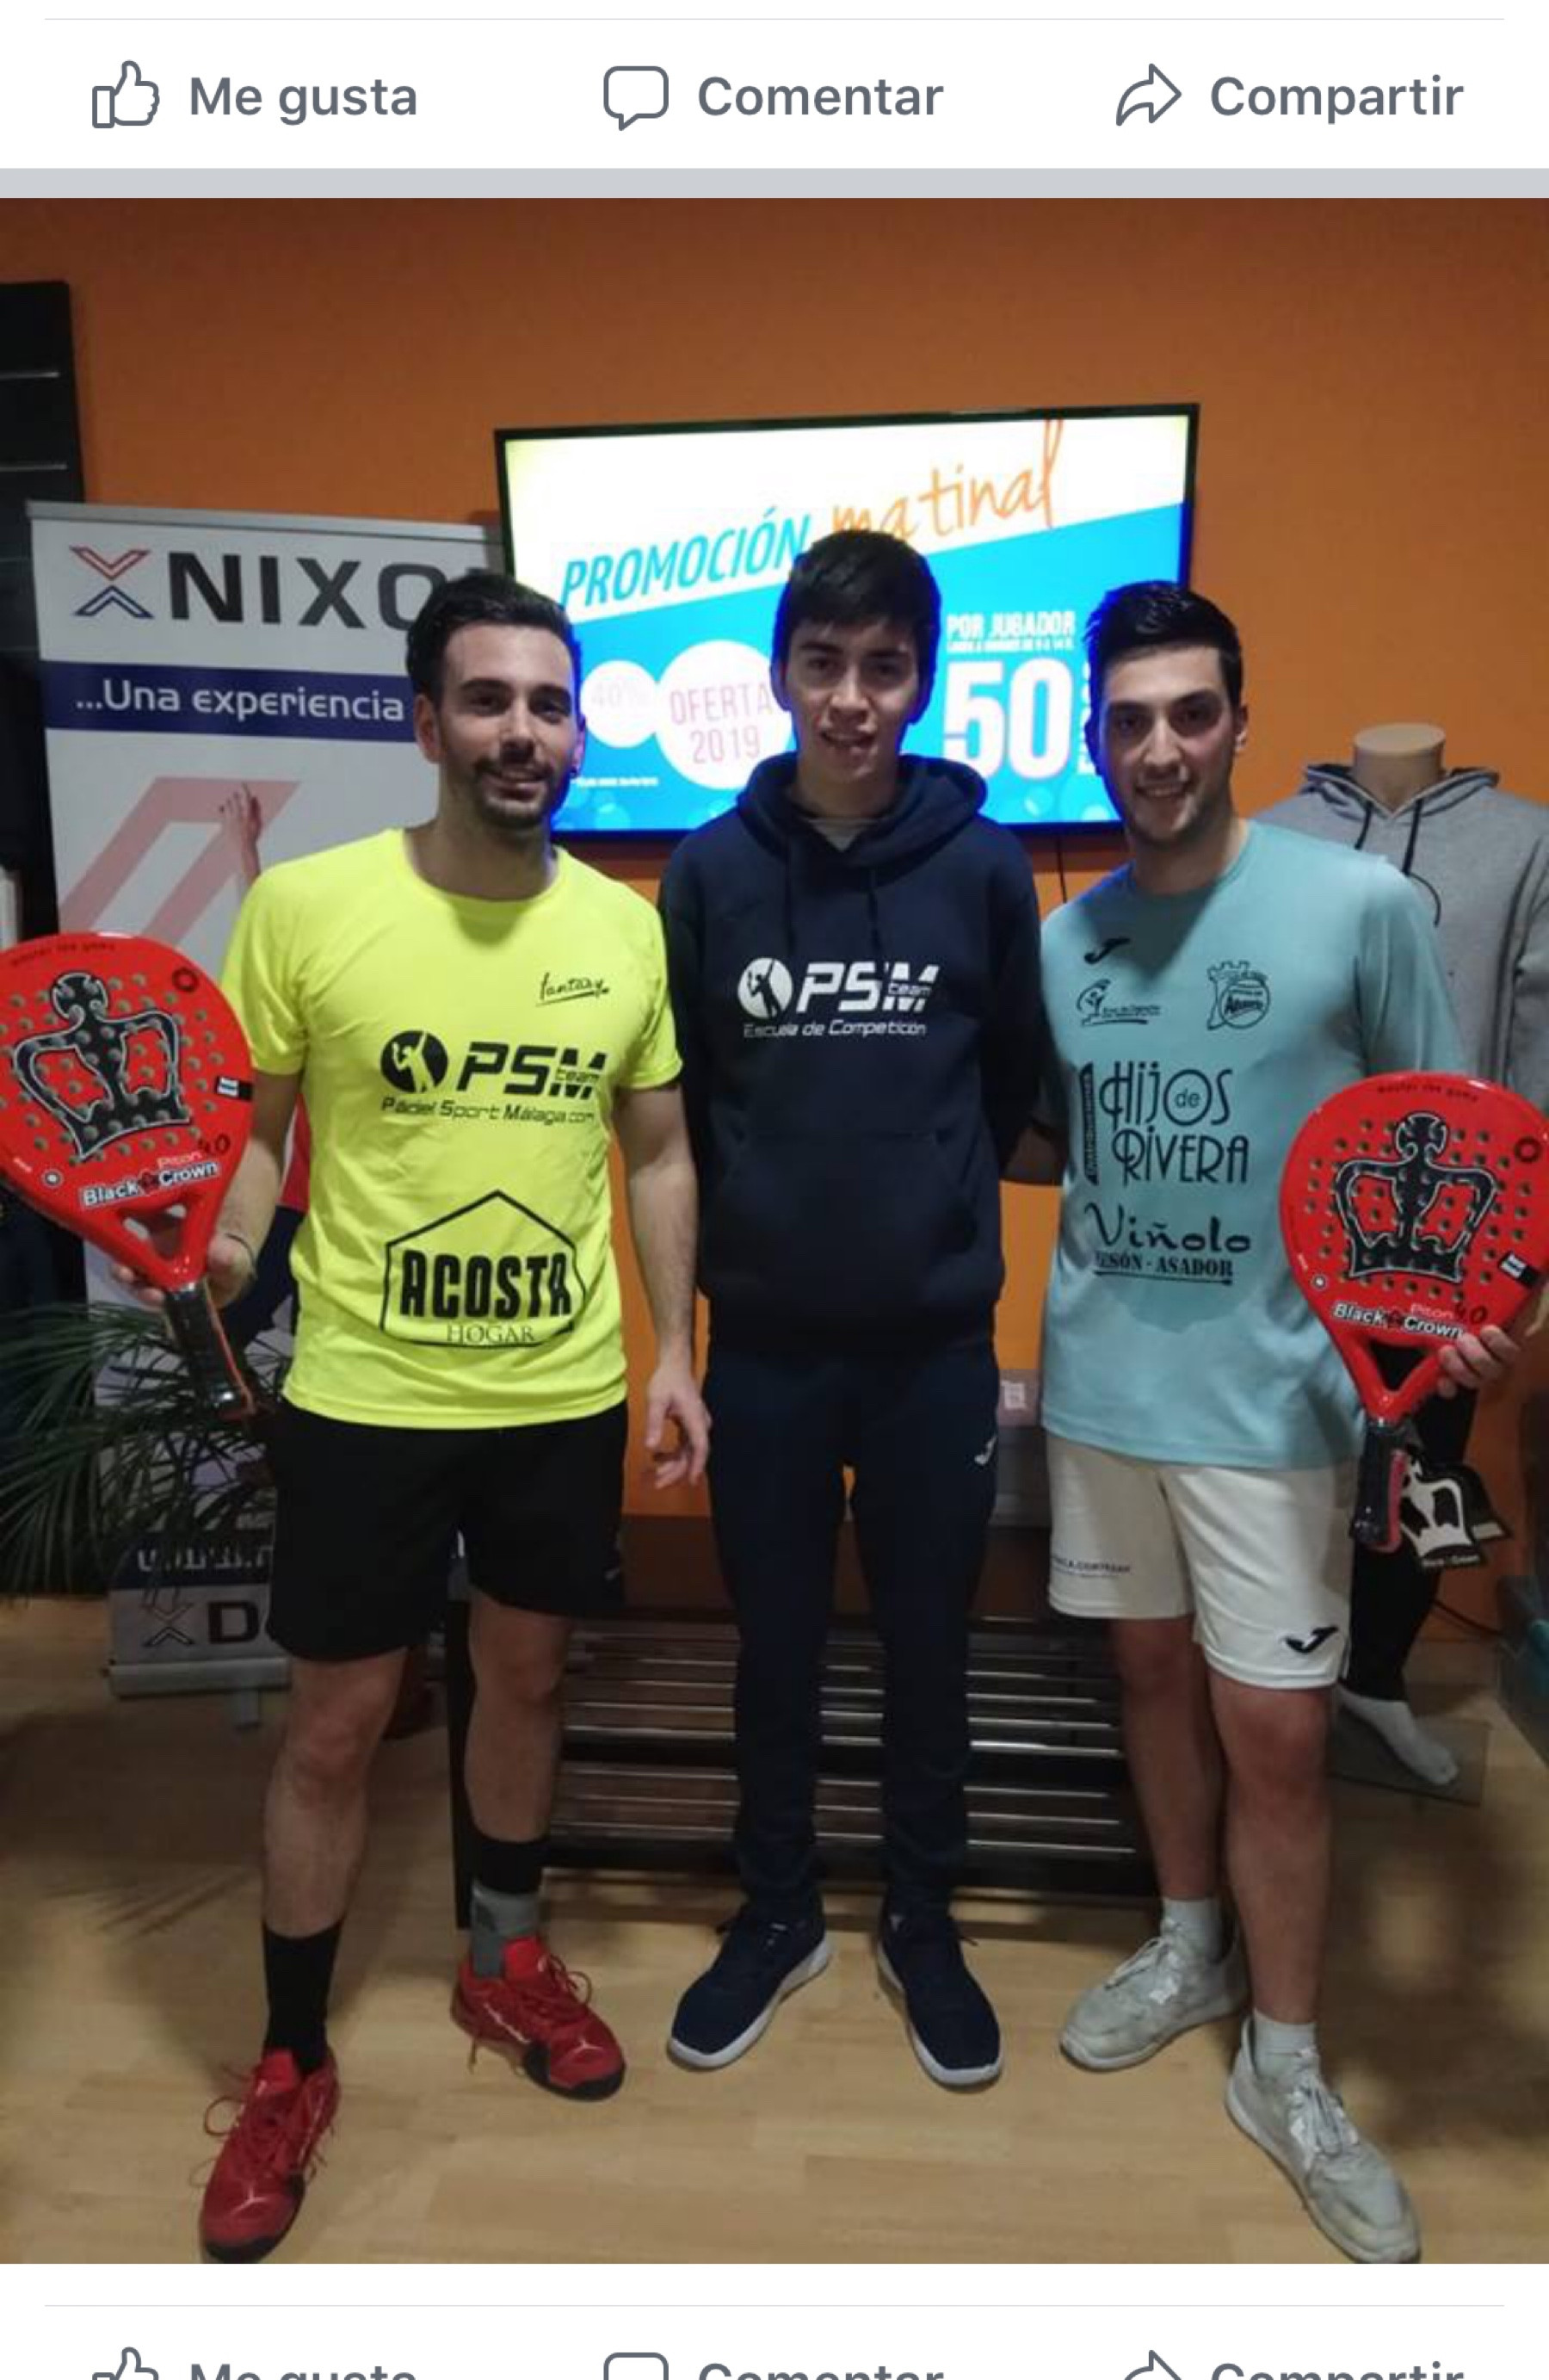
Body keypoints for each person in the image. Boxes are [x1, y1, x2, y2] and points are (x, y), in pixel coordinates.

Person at [130, 570, 707, 2264]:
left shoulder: (622, 930)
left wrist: (678, 1351)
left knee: (523, 1678)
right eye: (488, 699)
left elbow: (657, 1149)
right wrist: (231, 1250)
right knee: (337, 1725)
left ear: (576, 729)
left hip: (555, 1391)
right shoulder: (307, 908)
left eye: (550, 702)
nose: (524, 730)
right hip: (368, 1393)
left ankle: (502, 1959)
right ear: (426, 721)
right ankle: (290, 2060)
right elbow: (257, 1129)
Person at [1012, 580, 1519, 2263]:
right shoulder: (1063, 944)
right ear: (1097, 738)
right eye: (1129, 720)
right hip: (1103, 1387)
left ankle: (1287, 2065)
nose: (1159, 747)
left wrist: (1471, 1312)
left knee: (1282, 1734)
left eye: (1190, 712)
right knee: (1150, 1677)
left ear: (1239, 718)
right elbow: (1054, 1143)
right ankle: (1188, 1941)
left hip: (1281, 1398)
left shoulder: (1356, 904)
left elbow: (1438, 1139)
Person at [659, 530, 1048, 2088]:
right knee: (774, 1649)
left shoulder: (984, 867)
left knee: (929, 1650)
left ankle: (921, 1918)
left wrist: (931, 1210)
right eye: (823, 664)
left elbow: (1009, 1080)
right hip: (763, 1345)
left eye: (885, 668)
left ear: (923, 680)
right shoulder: (709, 872)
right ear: (780, 674)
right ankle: (776, 1913)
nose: (852, 699)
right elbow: (682, 1108)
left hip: (933, 1351)